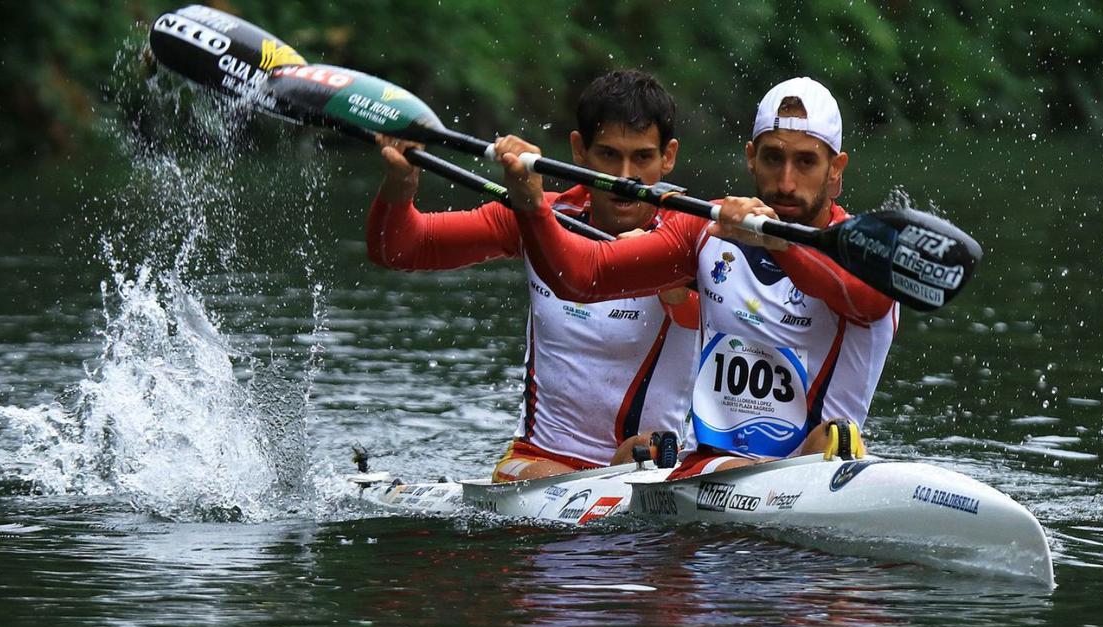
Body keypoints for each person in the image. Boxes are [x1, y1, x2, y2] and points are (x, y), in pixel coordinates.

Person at [497, 76, 898, 480]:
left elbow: (868, 300)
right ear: (751, 159)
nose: (787, 182)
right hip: (710, 470)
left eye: (806, 162)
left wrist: (780, 245)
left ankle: (821, 453)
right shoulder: (705, 228)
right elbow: (582, 277)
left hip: (820, 470)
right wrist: (533, 206)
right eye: (773, 158)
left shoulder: (870, 253)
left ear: (836, 171)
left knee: (833, 437)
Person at [366, 70, 699, 483]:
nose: (623, 177)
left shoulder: (690, 242)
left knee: (644, 445)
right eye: (609, 155)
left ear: (668, 157)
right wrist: (401, 182)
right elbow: (401, 249)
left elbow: (705, 318)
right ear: (579, 150)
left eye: (642, 158)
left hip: (643, 460)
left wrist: (666, 279)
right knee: (582, 467)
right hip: (537, 462)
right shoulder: (543, 217)